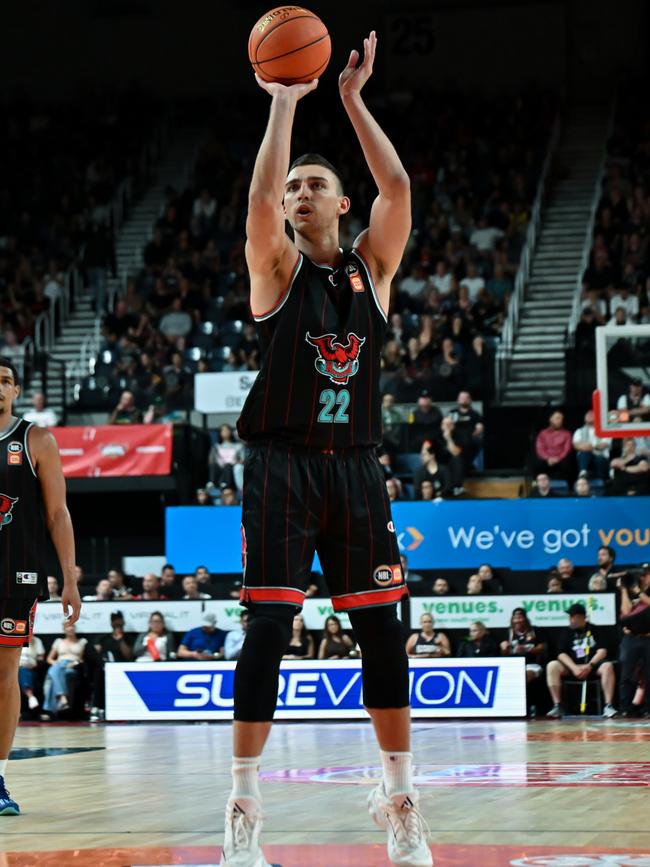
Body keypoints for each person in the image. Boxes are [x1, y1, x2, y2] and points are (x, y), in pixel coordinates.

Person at [224, 33, 430, 867]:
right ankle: (242, 804)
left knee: (383, 635)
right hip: (279, 463)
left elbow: (399, 187)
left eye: (318, 184)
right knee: (268, 627)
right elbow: (259, 194)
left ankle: (402, 797)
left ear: (342, 206)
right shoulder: (273, 269)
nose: (300, 191)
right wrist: (283, 102)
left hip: (354, 467)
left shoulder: (371, 271)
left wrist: (350, 99)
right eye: (295, 185)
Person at [0, 356, 80, 815]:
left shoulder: (36, 440)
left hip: (15, 575)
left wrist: (69, 577)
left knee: (4, 676)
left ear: (16, 391)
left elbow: (58, 514)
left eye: (6, 381)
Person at [546, 603, 617, 719]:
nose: (570, 620)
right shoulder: (567, 632)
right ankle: (557, 705)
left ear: (581, 617)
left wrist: (590, 665)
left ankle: (608, 705)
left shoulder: (595, 630)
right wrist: (574, 667)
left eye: (572, 617)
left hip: (592, 666)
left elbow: (602, 651)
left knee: (608, 666)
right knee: (552, 665)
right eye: (569, 617)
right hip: (572, 667)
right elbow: (561, 654)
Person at [617, 566, 650, 717]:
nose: (643, 578)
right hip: (632, 638)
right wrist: (624, 590)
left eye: (645, 575)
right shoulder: (634, 592)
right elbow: (625, 613)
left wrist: (639, 592)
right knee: (627, 674)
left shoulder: (642, 594)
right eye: (642, 575)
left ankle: (648, 709)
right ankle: (625, 708)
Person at [43, 622, 87, 715]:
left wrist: (74, 663)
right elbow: (49, 659)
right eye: (67, 626)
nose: (70, 628)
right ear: (64, 629)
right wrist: (55, 663)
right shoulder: (58, 641)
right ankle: (63, 699)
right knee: (55, 670)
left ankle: (49, 709)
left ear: (75, 628)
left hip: (72, 665)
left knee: (52, 674)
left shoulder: (82, 641)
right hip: (59, 663)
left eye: (72, 626)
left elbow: (81, 659)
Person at [500, 608, 546, 684]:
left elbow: (542, 647)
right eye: (515, 618)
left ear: (525, 619)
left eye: (520, 618)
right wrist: (504, 648)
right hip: (513, 665)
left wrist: (526, 649)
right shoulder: (508, 633)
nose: (517, 621)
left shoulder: (535, 630)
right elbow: (503, 654)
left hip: (532, 664)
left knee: (524, 676)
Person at [572, 409, 610, 480]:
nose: (589, 415)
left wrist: (590, 446)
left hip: (600, 457)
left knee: (599, 459)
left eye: (592, 414)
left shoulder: (605, 431)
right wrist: (591, 447)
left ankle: (601, 481)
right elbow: (576, 445)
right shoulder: (579, 431)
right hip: (585, 457)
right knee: (584, 453)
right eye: (588, 414)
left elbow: (603, 445)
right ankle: (583, 473)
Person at [534, 410, 573, 480]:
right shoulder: (543, 433)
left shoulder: (567, 433)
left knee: (568, 465)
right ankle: (535, 485)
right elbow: (540, 449)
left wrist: (558, 458)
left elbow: (567, 449)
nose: (560, 421)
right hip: (546, 459)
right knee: (537, 464)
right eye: (557, 418)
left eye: (561, 419)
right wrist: (548, 458)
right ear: (550, 419)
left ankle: (568, 488)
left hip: (560, 459)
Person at [18, 633, 46, 711]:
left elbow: (41, 657)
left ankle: (30, 697)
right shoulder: (16, 640)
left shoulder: (37, 641)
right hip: (15, 667)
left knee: (23, 671)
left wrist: (38, 662)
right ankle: (30, 696)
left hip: (30, 667)